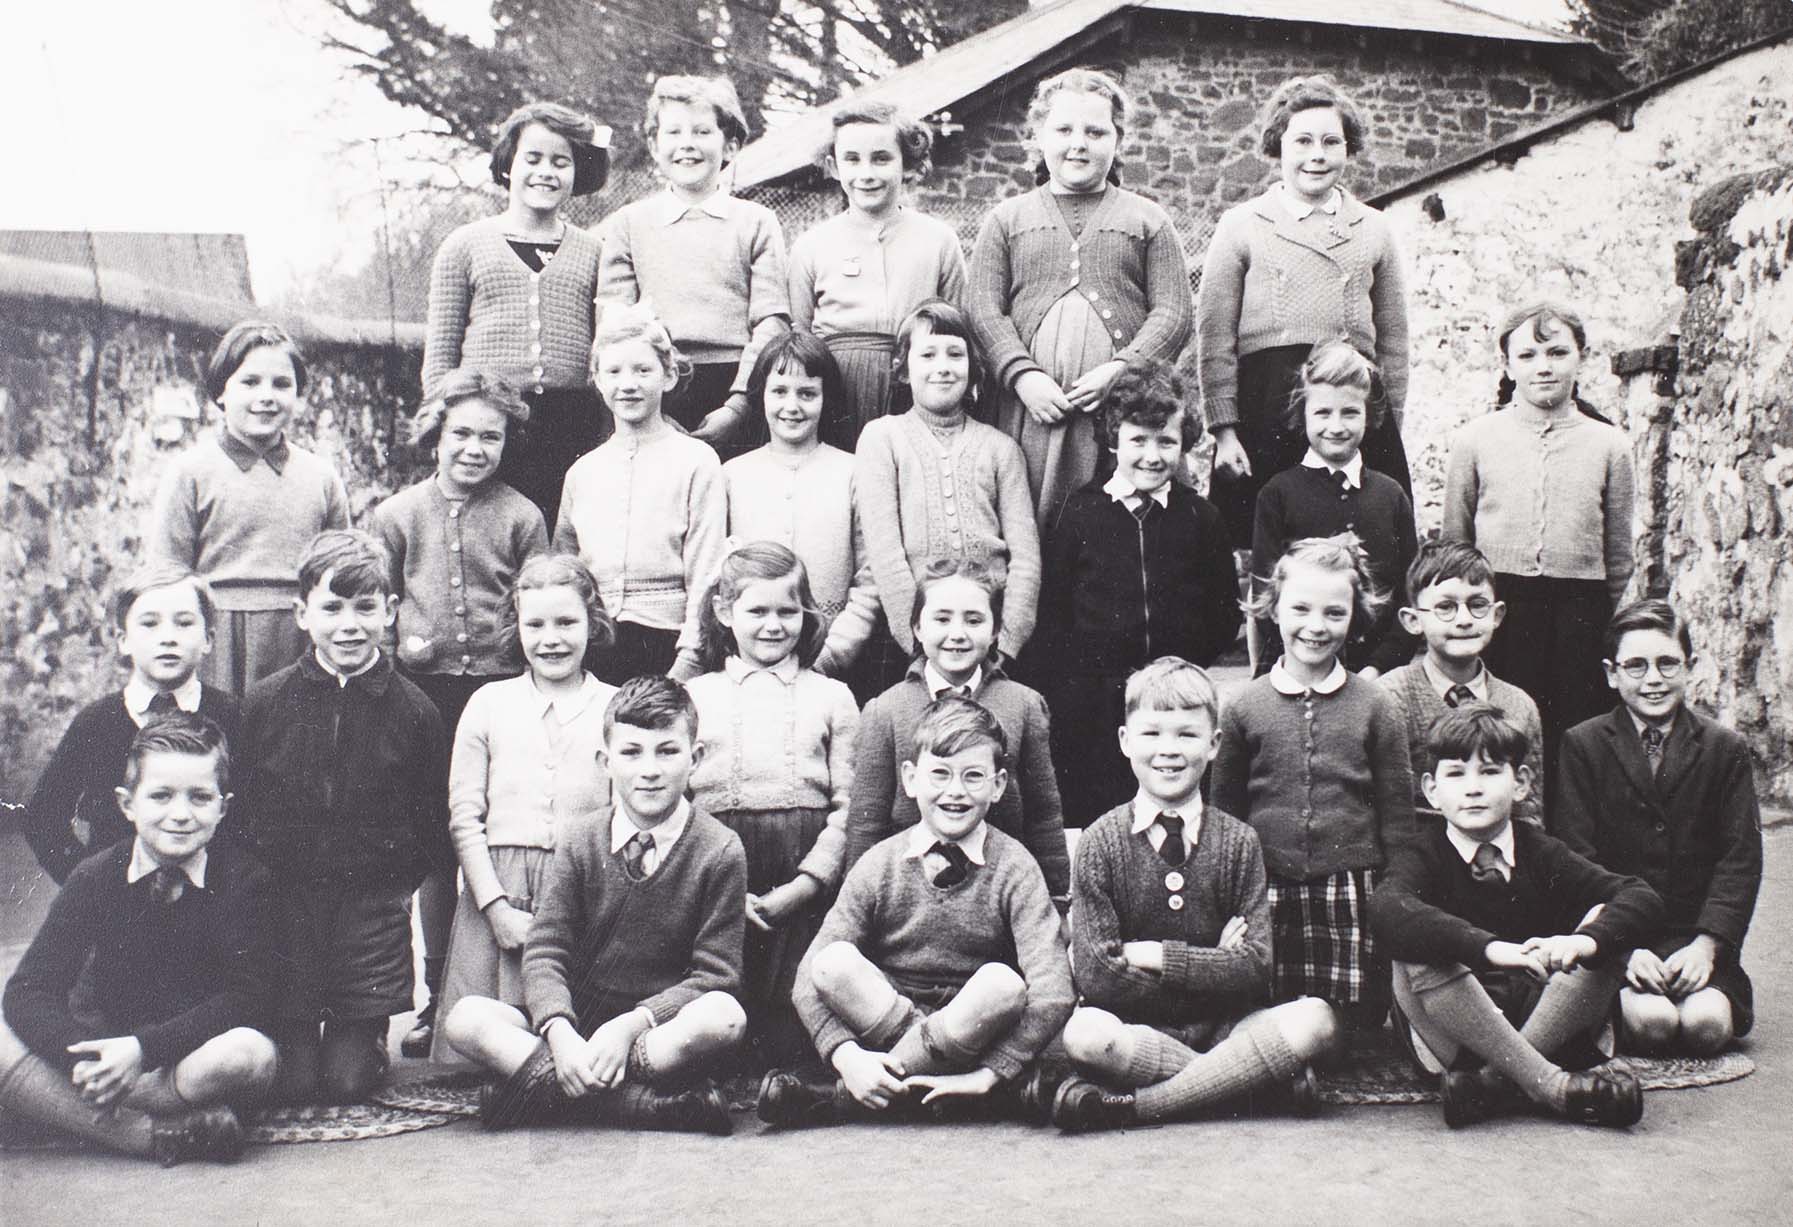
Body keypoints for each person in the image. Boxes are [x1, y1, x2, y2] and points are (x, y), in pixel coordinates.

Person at [441, 677, 748, 1134]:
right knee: (465, 1019)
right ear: (605, 761)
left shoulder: (720, 849)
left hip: (652, 1033)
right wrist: (560, 1032)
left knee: (724, 1017)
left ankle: (545, 1094)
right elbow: (545, 951)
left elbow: (715, 974)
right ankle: (640, 1105)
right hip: (578, 1025)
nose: (650, 770)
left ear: (695, 757)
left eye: (667, 751)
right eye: (631, 752)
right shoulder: (582, 838)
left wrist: (630, 1028)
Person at [1052, 658, 1340, 1132]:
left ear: (1214, 744)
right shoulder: (1100, 841)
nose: (1169, 750)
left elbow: (1254, 967)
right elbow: (1098, 976)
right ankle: (1251, 1084)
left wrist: (1154, 956)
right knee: (1085, 1034)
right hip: (1139, 1031)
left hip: (1230, 1027)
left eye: (1186, 735)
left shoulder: (1239, 841)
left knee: (1317, 1019)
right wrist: (1211, 964)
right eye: (1152, 734)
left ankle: (1138, 1106)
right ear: (1125, 742)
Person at [761, 697, 1074, 1126]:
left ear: (999, 785)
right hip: (883, 1013)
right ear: (910, 779)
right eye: (940, 774)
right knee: (832, 964)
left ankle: (848, 1099)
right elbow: (807, 979)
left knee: (1002, 984)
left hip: (972, 1026)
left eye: (974, 776)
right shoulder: (881, 862)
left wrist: (990, 1071)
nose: (955, 791)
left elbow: (1053, 990)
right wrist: (848, 1057)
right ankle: (933, 1088)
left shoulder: (1015, 866)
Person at [1368, 704, 1662, 1128]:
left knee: (1607, 922)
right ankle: (1553, 1087)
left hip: (1542, 1019)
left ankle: (1491, 1085)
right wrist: (1492, 950)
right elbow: (1386, 909)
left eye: (1489, 772)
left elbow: (1641, 896)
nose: (1473, 788)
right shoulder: (1422, 852)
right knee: (1413, 941)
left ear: (1521, 783)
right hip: (1456, 1033)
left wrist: (1581, 942)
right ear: (1431, 790)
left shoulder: (1540, 849)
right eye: (1456, 774)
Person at [1, 715, 278, 1165]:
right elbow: (29, 990)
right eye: (161, 796)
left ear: (223, 808)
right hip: (106, 1057)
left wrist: (144, 1050)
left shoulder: (246, 879)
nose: (181, 814)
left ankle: (74, 1111)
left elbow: (250, 995)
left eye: (200, 797)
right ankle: (144, 1135)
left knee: (250, 1053)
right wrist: (82, 1059)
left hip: (186, 1062)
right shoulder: (93, 876)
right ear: (126, 804)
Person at [234, 530, 447, 1104]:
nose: (348, 625)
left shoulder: (415, 711)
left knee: (346, 1081)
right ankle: (295, 1034)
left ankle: (366, 1034)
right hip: (290, 907)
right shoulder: (265, 703)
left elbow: (429, 819)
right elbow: (245, 807)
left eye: (365, 607)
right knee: (297, 1081)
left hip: (371, 911)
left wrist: (395, 883)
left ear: (391, 611)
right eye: (331, 608)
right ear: (302, 614)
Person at [373, 368, 548, 1057]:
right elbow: (379, 600)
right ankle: (432, 1000)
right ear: (435, 435)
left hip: (502, 694)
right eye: (461, 433)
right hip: (423, 697)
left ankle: (510, 990)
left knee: (499, 838)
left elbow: (541, 596)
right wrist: (396, 652)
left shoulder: (522, 515)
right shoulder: (397, 514)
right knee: (437, 850)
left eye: (490, 436)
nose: (474, 447)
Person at [968, 67, 1192, 531]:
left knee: (1124, 529)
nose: (1079, 144)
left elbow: (1173, 313)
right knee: (1028, 522)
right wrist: (1022, 375)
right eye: (1064, 129)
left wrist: (1121, 369)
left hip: (1118, 412)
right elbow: (983, 310)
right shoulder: (1007, 220)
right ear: (1037, 136)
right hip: (1031, 412)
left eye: (1095, 131)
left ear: (1118, 139)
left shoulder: (1148, 220)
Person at [1198, 74, 1412, 547]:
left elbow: (1394, 340)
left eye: (1331, 141)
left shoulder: (1373, 228)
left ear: (1348, 148)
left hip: (1352, 406)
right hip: (1265, 408)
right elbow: (1215, 340)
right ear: (1279, 146)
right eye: (1303, 141)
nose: (1317, 155)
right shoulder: (1241, 225)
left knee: (1361, 543)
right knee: (1265, 546)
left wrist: (1387, 420)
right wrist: (1224, 430)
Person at [1212, 534, 1413, 1022]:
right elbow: (1223, 815)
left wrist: (1395, 894)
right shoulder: (1242, 705)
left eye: (1334, 613)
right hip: (1266, 888)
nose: (1315, 627)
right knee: (1262, 1006)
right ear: (1273, 609)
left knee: (1351, 1021)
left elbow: (1398, 816)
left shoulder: (1377, 704)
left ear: (1356, 616)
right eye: (1300, 609)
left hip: (1349, 892)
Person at [1035, 358, 1240, 826]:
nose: (1152, 455)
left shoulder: (1200, 517)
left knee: (1174, 810)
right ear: (1114, 439)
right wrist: (1079, 684)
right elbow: (1054, 613)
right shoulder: (1080, 513)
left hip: (1175, 699)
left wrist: (1182, 667)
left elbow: (1223, 612)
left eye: (1166, 441)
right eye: (1139, 440)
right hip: (1093, 704)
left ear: (1183, 443)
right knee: (1098, 816)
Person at [1442, 300, 1635, 799]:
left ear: (1581, 357)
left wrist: (1599, 620)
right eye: (1527, 355)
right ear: (1507, 365)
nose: (1543, 366)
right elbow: (1456, 544)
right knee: (1503, 736)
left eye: (1556, 352)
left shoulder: (1610, 445)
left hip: (1581, 615)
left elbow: (1618, 555)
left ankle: (1570, 854)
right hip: (1503, 613)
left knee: (1575, 740)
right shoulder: (1476, 440)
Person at [431, 555, 618, 1059]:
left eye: (566, 623)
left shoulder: (615, 707)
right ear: (516, 626)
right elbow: (465, 818)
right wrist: (494, 906)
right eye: (535, 624)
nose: (550, 638)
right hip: (502, 886)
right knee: (486, 1036)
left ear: (592, 622)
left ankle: (558, 1065)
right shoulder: (489, 704)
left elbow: (625, 818)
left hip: (583, 885)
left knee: (579, 1028)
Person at [1557, 599, 1762, 1056]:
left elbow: (1739, 860)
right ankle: (1614, 1009)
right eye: (1636, 666)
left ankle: (1703, 982)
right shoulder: (1583, 744)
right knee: (1653, 1025)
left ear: (1689, 666)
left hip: (1695, 935)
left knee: (1705, 1026)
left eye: (1667, 663)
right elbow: (1575, 857)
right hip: (1620, 935)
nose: (1653, 679)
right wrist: (1618, 949)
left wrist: (1708, 946)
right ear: (1611, 673)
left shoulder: (1725, 748)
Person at [686, 542, 859, 1069]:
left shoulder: (832, 697)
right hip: (717, 868)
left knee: (793, 1032)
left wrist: (809, 883)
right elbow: (679, 803)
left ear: (806, 615)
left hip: (802, 870)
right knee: (718, 1012)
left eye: (787, 611)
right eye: (756, 611)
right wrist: (723, 889)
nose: (773, 625)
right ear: (723, 612)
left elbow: (848, 804)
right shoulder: (695, 696)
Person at [421, 102, 611, 526]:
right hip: (489, 418)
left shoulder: (595, 251)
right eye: (534, 158)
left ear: (577, 172)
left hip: (571, 421)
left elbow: (603, 347)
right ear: (509, 164)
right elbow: (440, 358)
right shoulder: (465, 245)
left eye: (560, 162)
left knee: (558, 534)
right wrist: (445, 426)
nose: (546, 171)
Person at [844, 558, 1070, 909]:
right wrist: (860, 906)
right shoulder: (885, 710)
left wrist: (1056, 900)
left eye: (974, 620)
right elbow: (866, 822)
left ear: (996, 630)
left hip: (1001, 892)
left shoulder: (1024, 705)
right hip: (909, 897)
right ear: (917, 628)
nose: (958, 634)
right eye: (942, 619)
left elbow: (1044, 816)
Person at [148, 320, 349, 695]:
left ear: (299, 396)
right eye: (250, 382)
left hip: (299, 638)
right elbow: (167, 574)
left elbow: (341, 573)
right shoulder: (190, 472)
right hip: (215, 640)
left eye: (282, 384)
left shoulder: (321, 477)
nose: (267, 396)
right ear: (221, 392)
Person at [596, 74, 789, 458]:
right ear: (654, 145)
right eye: (673, 132)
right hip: (655, 386)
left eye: (702, 131)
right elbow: (615, 326)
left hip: (739, 384)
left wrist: (739, 404)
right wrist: (655, 410)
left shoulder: (756, 222)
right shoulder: (629, 224)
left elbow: (772, 323)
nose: (687, 144)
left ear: (730, 144)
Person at [855, 299, 1041, 694]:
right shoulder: (882, 437)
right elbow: (885, 553)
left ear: (972, 367)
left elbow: (1025, 558)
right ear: (903, 369)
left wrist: (1006, 642)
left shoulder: (1001, 448)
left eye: (955, 354)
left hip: (988, 640)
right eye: (927, 354)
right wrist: (917, 641)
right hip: (919, 642)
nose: (943, 366)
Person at [21, 562, 240, 883]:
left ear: (208, 639)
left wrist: (233, 887)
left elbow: (255, 820)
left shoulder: (232, 716)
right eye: (150, 624)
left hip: (211, 901)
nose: (168, 638)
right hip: (117, 906)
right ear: (123, 640)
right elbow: (43, 817)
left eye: (183, 623)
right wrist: (87, 881)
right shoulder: (96, 723)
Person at [553, 304, 727, 682]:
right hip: (593, 647)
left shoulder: (697, 461)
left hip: (669, 645)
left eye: (642, 370)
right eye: (613, 371)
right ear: (597, 381)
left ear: (668, 376)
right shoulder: (583, 472)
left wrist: (689, 659)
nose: (627, 384)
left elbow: (707, 569)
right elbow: (566, 566)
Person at [788, 101, 967, 450]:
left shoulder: (938, 240)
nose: (866, 173)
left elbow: (959, 325)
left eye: (882, 158)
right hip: (837, 387)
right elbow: (799, 333)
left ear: (908, 164)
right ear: (833, 166)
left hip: (916, 384)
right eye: (852, 159)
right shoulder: (811, 245)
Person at [1249, 341, 1416, 678]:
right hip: (1292, 672)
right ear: (1303, 414)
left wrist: (1378, 667)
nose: (1336, 426)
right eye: (1323, 413)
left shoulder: (1391, 495)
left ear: (1368, 415)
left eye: (1350, 412)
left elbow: (1410, 596)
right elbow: (1266, 597)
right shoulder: (1277, 494)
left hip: (1375, 678)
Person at [723, 330, 878, 680]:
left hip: (835, 663)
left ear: (826, 398)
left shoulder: (852, 471)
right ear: (760, 395)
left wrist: (833, 653)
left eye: (807, 394)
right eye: (779, 391)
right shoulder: (732, 476)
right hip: (750, 661)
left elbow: (870, 579)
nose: (792, 406)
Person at [1379, 539, 1545, 828]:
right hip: (1416, 859)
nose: (1464, 620)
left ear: (1497, 615)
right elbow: (1385, 809)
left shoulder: (1518, 705)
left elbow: (1528, 810)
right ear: (1412, 620)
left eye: (1477, 605)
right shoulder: (1390, 697)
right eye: (1445, 607)